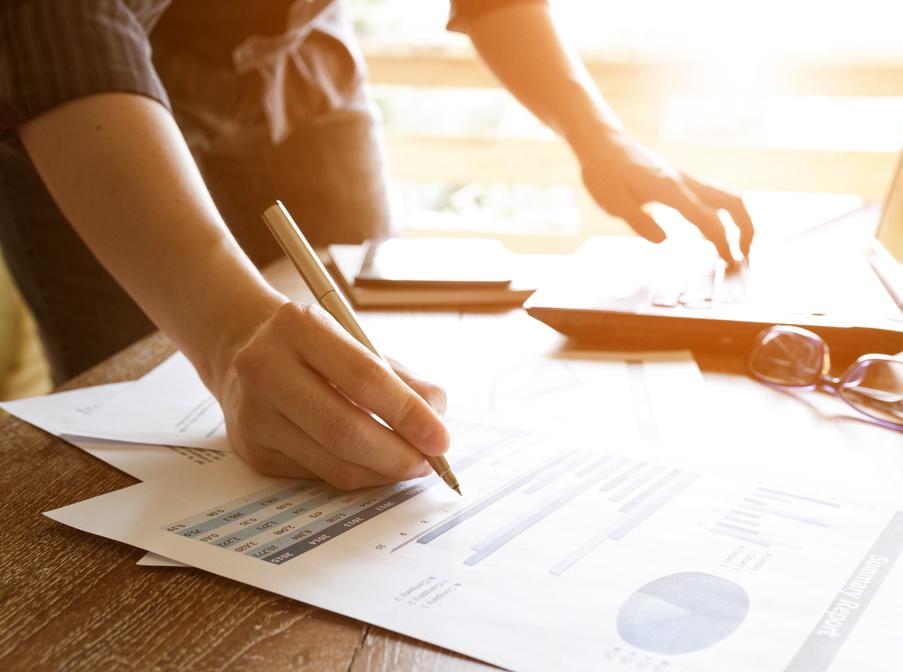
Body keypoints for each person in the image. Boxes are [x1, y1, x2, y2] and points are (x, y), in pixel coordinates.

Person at [0, 0, 753, 489]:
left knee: (359, 361)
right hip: (90, 94)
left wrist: (600, 136)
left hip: (305, 66)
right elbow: (58, 22)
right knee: (129, 433)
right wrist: (227, 332)